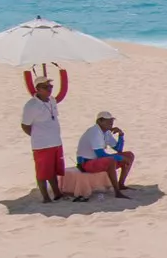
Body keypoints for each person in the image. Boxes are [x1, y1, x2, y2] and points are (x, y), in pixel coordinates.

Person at [19, 69, 69, 204]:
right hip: (41, 144)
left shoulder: (51, 101)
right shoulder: (31, 105)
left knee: (53, 170)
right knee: (42, 172)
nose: (49, 89)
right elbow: (25, 125)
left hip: (55, 142)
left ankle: (57, 193)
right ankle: (45, 197)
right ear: (38, 89)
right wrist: (37, 135)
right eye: (46, 87)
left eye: (51, 86)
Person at [75, 110, 135, 197]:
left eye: (111, 120)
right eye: (108, 120)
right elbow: (101, 155)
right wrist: (120, 158)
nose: (111, 122)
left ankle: (121, 184)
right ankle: (117, 192)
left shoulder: (106, 132)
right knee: (111, 161)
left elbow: (118, 149)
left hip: (96, 160)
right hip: (86, 163)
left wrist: (121, 135)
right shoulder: (95, 132)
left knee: (129, 155)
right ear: (100, 121)